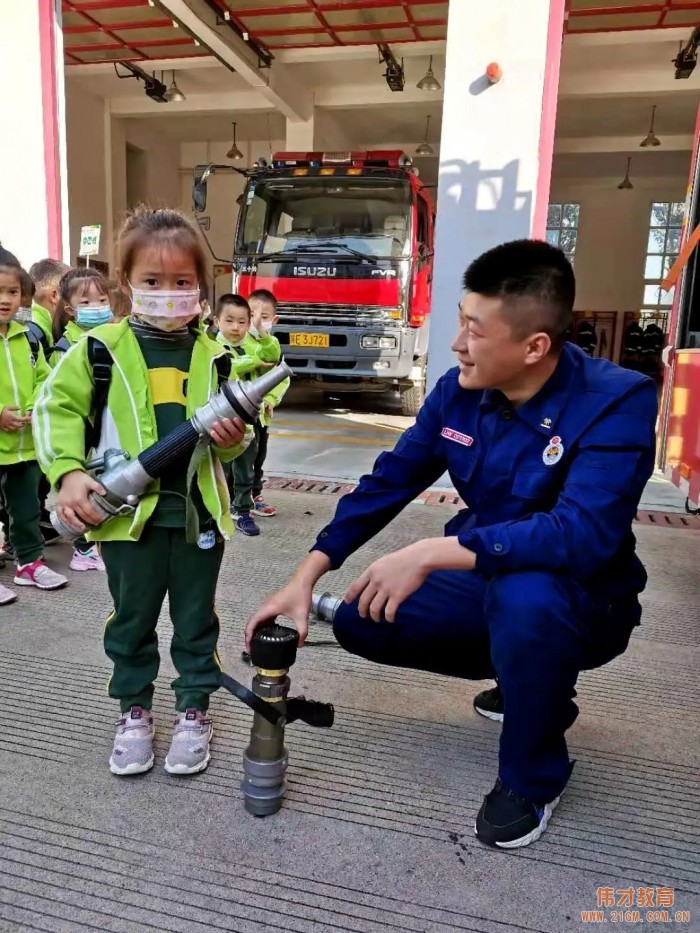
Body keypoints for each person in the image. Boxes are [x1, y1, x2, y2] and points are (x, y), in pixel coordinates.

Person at [245, 239, 658, 850]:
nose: (458, 343)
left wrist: (428, 553)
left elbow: (581, 534)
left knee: (528, 598)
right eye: (459, 322)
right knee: (364, 619)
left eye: (473, 329)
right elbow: (389, 479)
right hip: (492, 581)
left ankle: (532, 773)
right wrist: (304, 575)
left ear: (533, 346)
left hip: (585, 599)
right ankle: (525, 684)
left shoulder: (618, 401)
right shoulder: (460, 389)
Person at [33, 207, 251, 777]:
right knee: (131, 616)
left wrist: (232, 440)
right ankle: (134, 709)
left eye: (182, 282)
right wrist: (69, 472)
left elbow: (229, 450)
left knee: (197, 617)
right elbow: (56, 410)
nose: (168, 293)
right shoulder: (98, 349)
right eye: (152, 282)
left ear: (201, 285)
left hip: (199, 517)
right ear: (126, 283)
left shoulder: (219, 355)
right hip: (127, 520)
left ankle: (193, 707)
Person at [0, 260, 68, 602]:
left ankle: (29, 563)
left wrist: (40, 404)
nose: (5, 299)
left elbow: (45, 377)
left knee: (26, 509)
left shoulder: (27, 337)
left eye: (12, 291)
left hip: (24, 446)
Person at [51, 266, 114, 572]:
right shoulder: (67, 348)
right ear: (71, 310)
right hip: (82, 434)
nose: (97, 308)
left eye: (102, 300)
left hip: (102, 429)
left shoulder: (111, 341)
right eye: (86, 303)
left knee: (99, 489)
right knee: (83, 491)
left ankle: (93, 542)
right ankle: (82, 548)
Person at [213, 293, 282, 537]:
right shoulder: (212, 347)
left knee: (247, 467)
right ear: (216, 321)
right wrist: (253, 360)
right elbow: (229, 366)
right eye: (229, 321)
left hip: (249, 420)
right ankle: (220, 509)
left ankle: (243, 510)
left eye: (243, 322)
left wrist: (264, 335)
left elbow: (272, 357)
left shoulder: (252, 344)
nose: (236, 327)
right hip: (222, 420)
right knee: (224, 468)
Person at [247, 288, 289, 518]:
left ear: (274, 320)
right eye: (252, 314)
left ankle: (255, 495)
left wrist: (271, 399)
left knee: (257, 456)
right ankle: (238, 498)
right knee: (238, 460)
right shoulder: (238, 341)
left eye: (263, 317)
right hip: (241, 416)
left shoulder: (272, 346)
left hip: (261, 415)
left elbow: (282, 379)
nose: (256, 321)